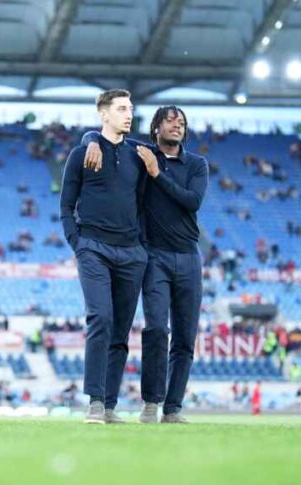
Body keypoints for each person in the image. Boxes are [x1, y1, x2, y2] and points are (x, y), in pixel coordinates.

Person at [81, 105, 209, 424]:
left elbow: (192, 201)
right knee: (155, 329)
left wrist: (157, 174)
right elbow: (99, 136)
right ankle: (151, 402)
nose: (176, 125)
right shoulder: (141, 153)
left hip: (189, 257)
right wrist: (92, 141)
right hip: (154, 257)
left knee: (184, 337)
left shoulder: (196, 164)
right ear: (155, 127)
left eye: (181, 122)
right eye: (169, 120)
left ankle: (173, 408)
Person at [60, 89, 148, 424]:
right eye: (122, 109)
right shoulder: (81, 154)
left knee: (121, 333)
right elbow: (66, 206)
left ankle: (109, 406)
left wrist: (140, 248)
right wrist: (77, 243)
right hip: (93, 248)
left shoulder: (139, 155)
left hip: (131, 253)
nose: (129, 114)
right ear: (103, 113)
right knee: (100, 318)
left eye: (131, 108)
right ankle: (95, 401)